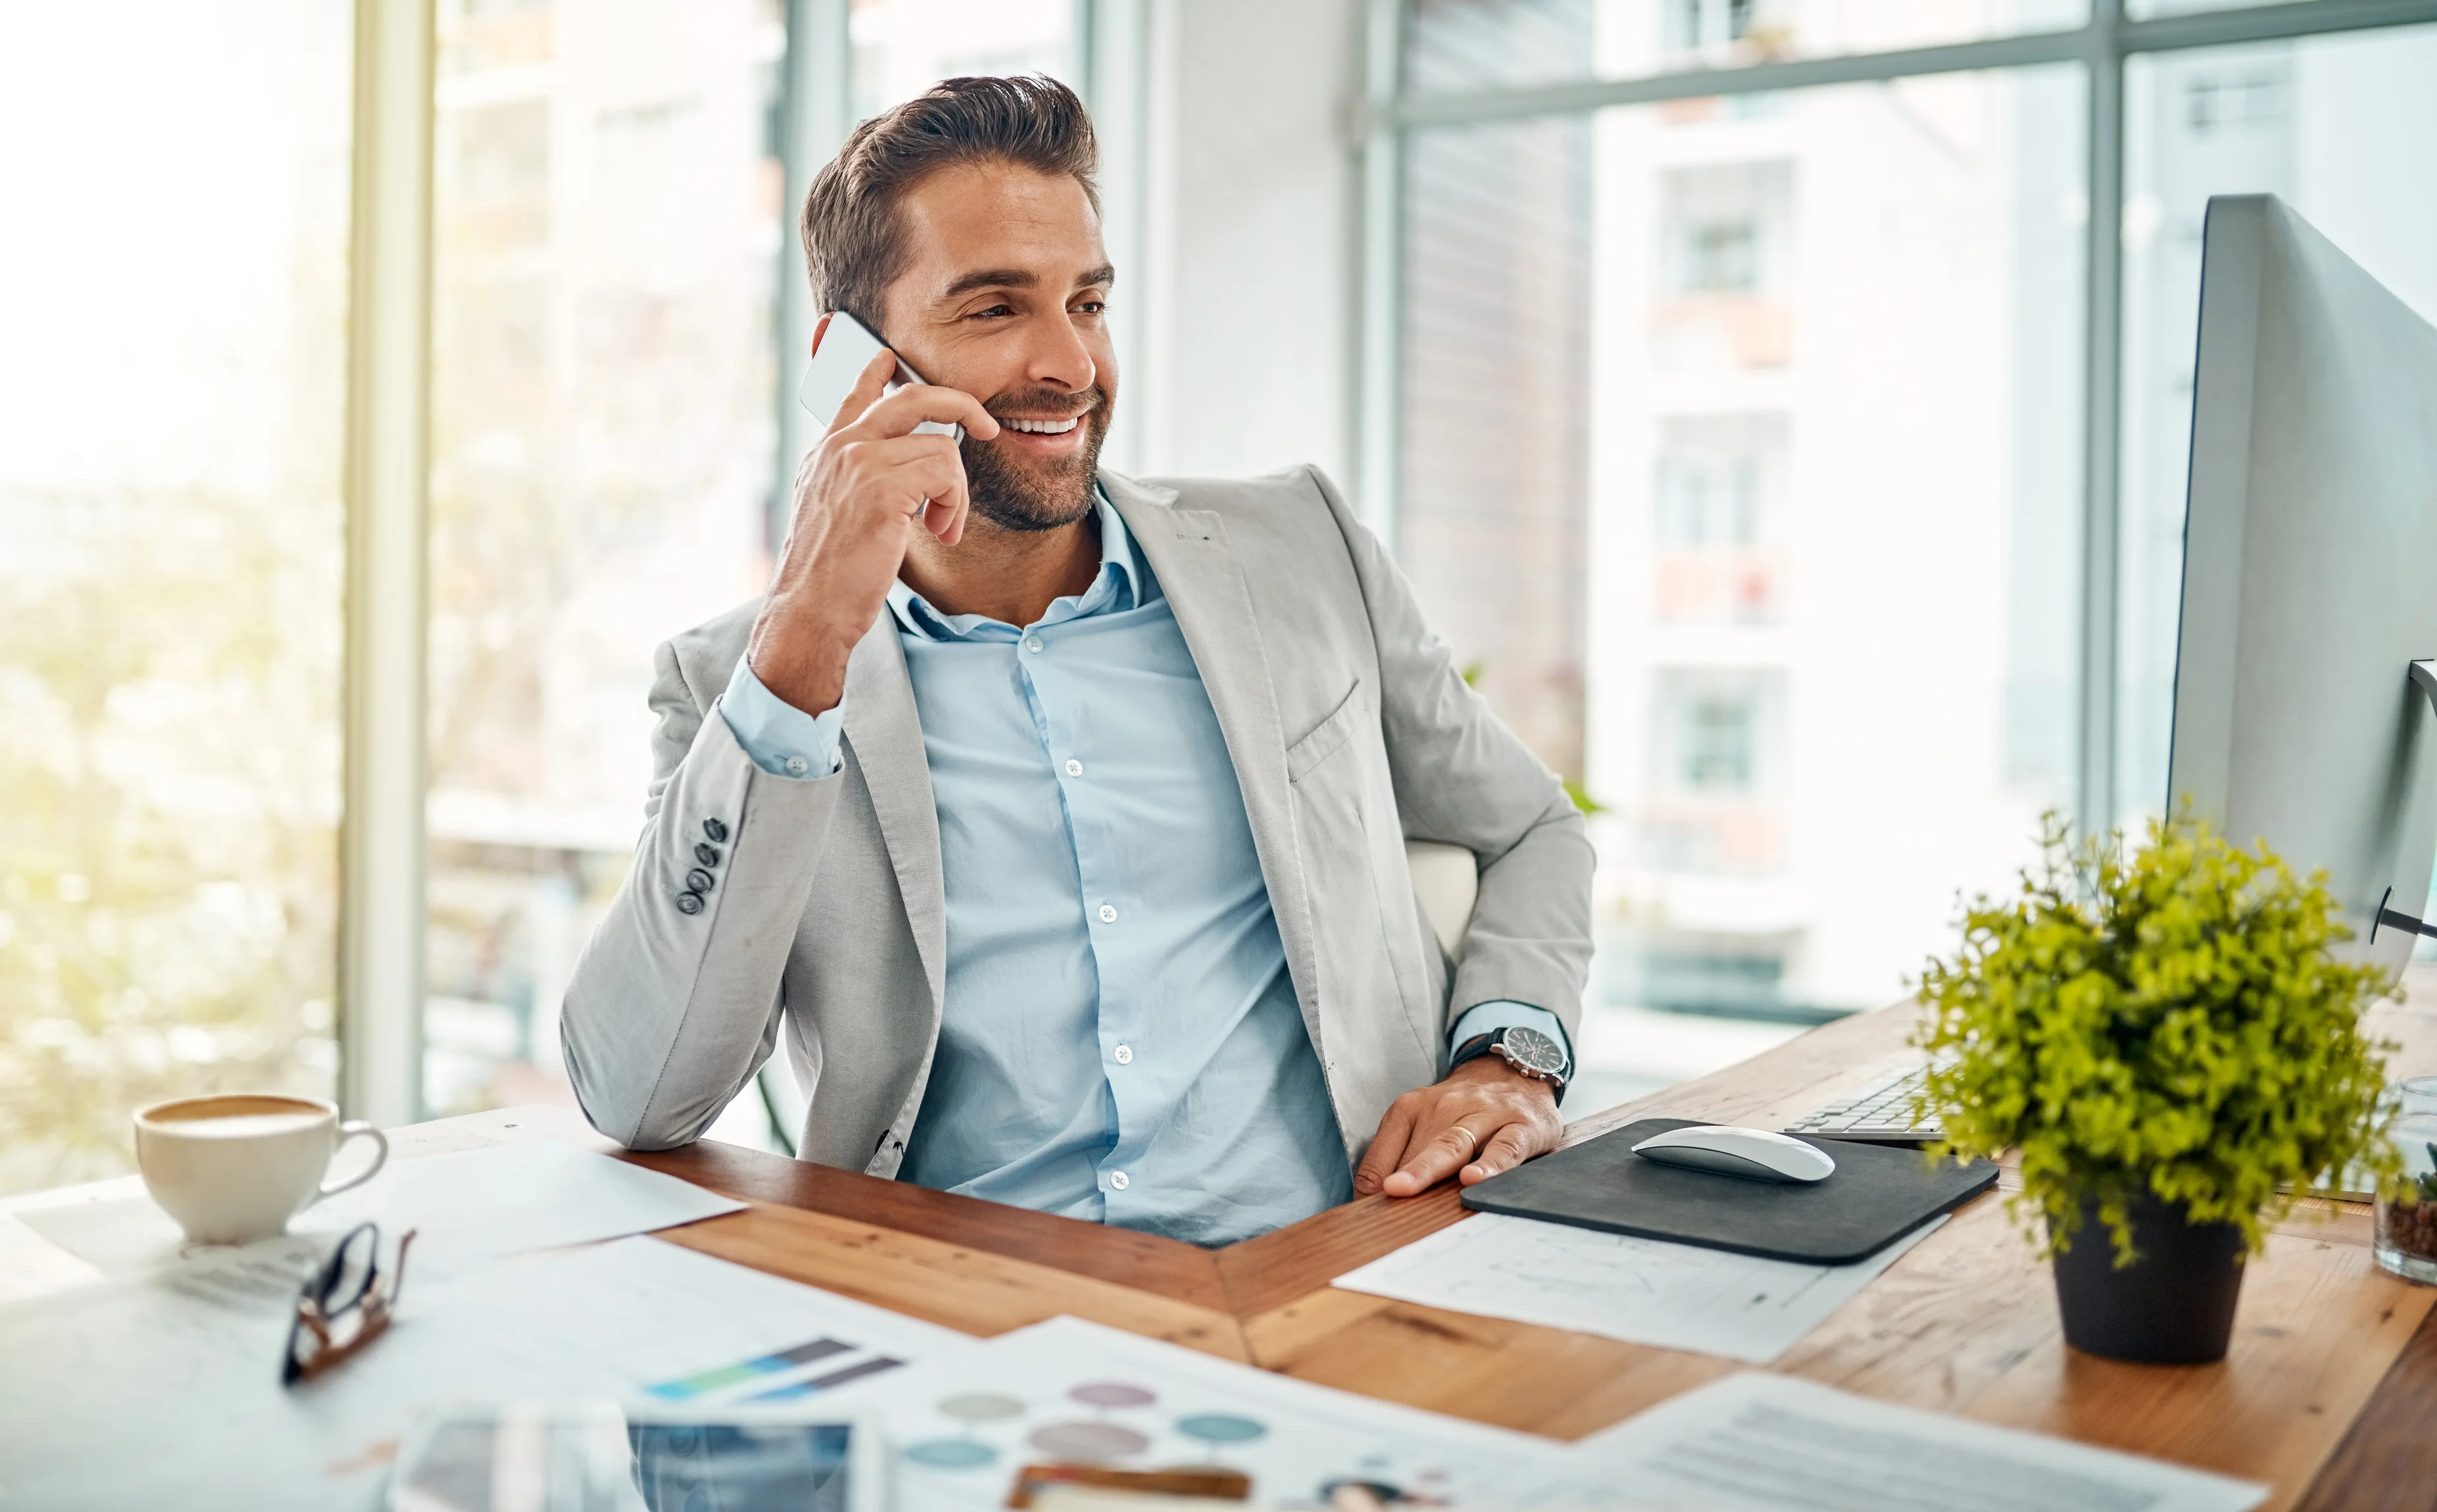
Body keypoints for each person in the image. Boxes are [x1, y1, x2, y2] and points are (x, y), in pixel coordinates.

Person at [560, 74, 1592, 1247]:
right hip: (966, 1326)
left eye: (1087, 303)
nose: (1070, 364)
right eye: (996, 310)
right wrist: (801, 642)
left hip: (1327, 1271)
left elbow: (1532, 830)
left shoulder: (1301, 550)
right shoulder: (736, 684)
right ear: (848, 364)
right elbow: (638, 1094)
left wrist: (1509, 1057)